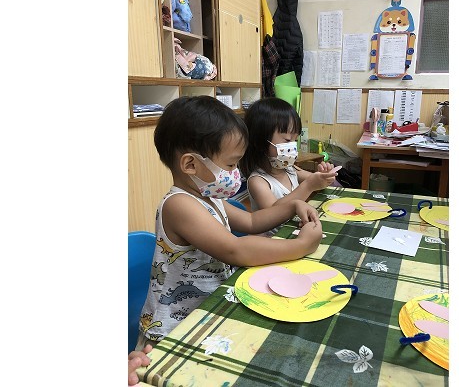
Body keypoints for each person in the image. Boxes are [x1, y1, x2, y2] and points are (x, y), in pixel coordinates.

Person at [137, 95, 322, 350]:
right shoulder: (179, 205)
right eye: (230, 164)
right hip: (171, 334)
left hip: (208, 312)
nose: (236, 173)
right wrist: (301, 245)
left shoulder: (209, 196)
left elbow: (252, 221)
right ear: (190, 164)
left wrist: (292, 205)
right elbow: (235, 250)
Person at [240, 98, 337, 232]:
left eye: (295, 140)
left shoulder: (289, 169)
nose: (293, 145)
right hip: (273, 239)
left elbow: (315, 180)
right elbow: (274, 213)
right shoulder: (258, 181)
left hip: (295, 230)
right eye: (287, 140)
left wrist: (324, 176)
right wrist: (308, 186)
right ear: (260, 141)